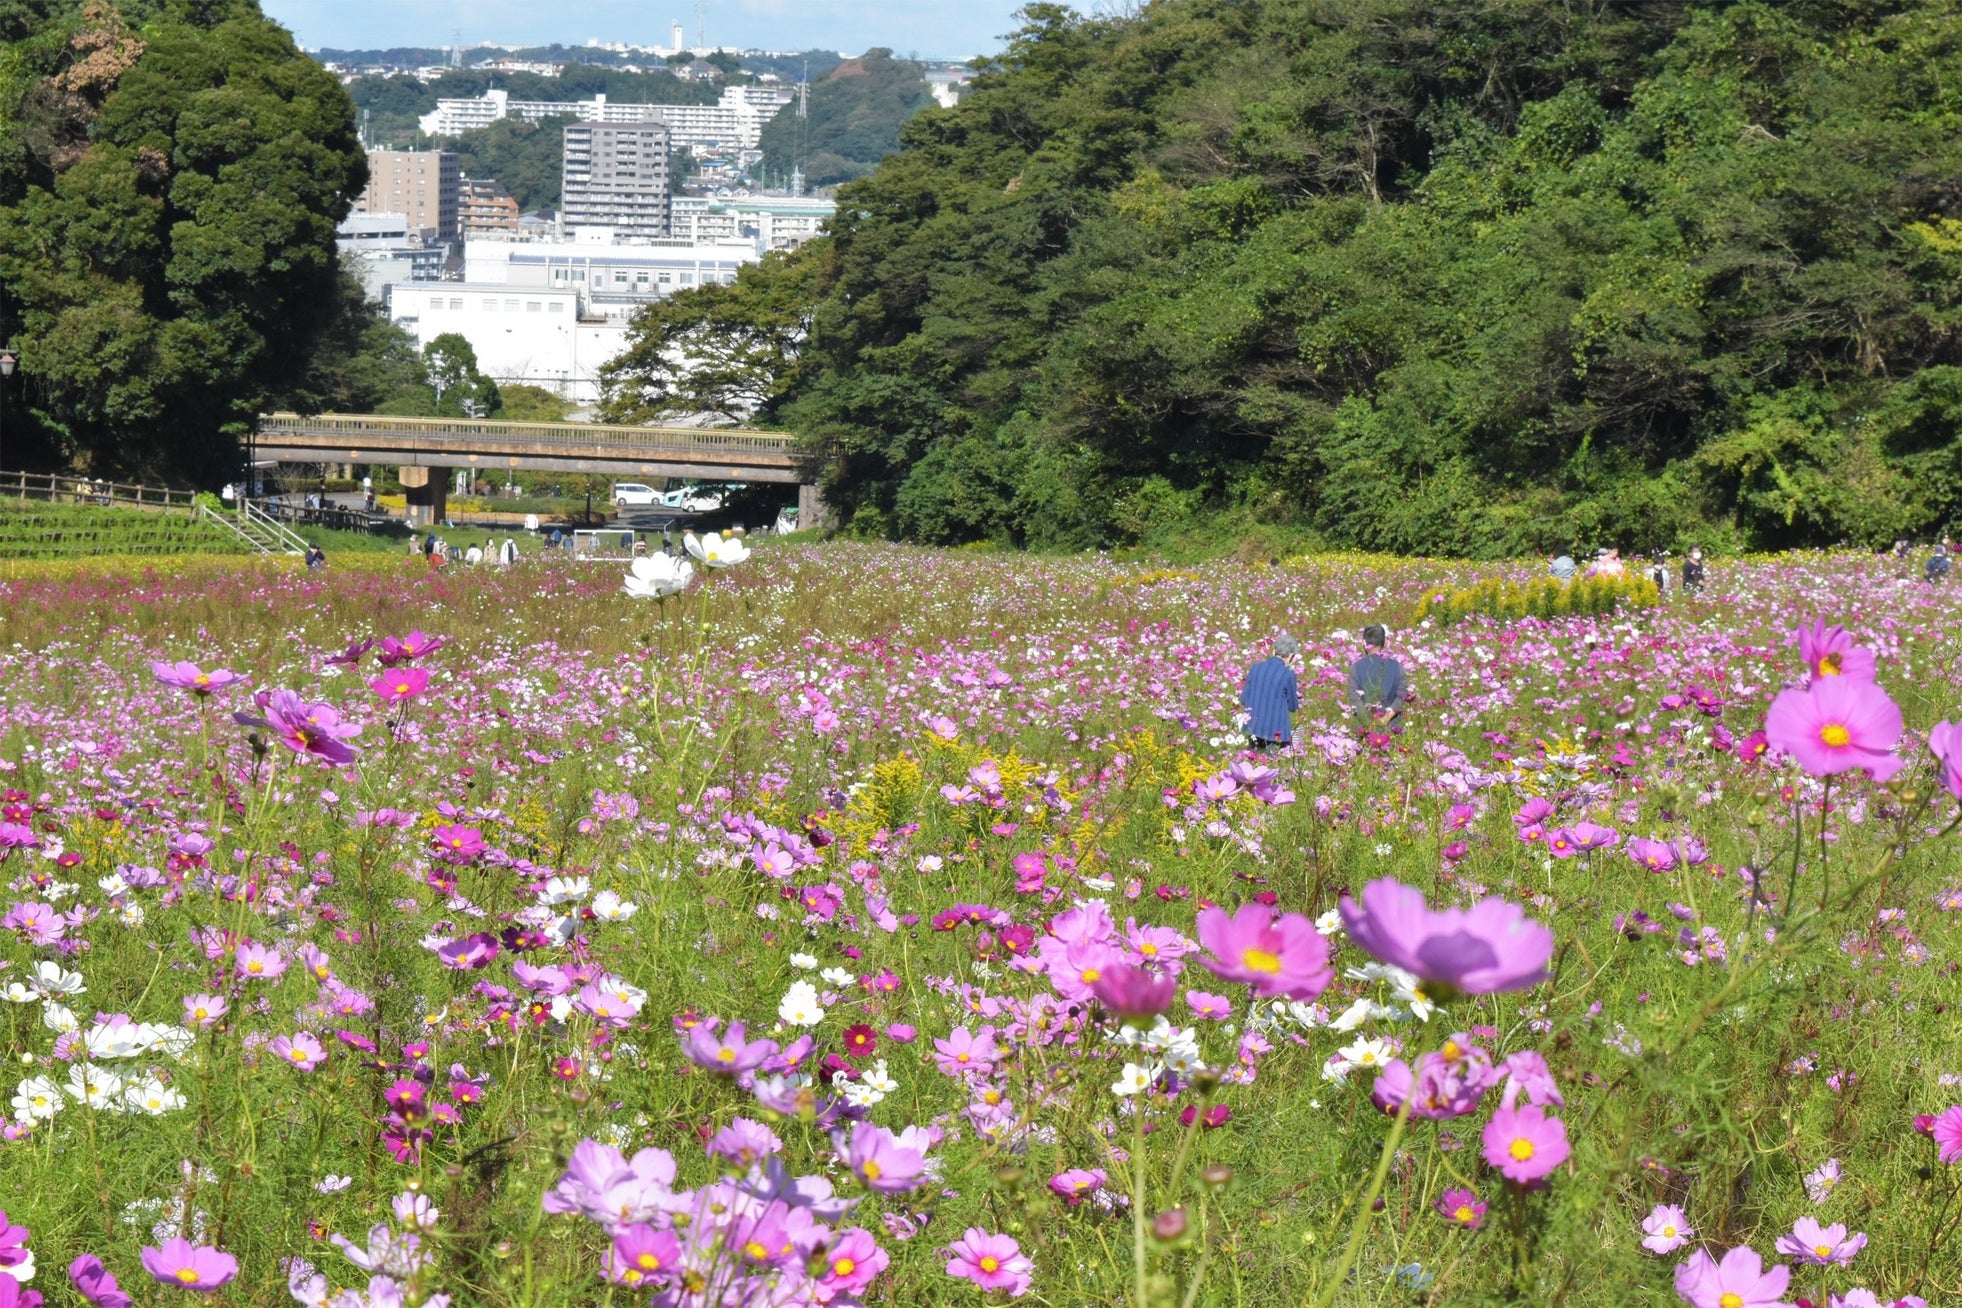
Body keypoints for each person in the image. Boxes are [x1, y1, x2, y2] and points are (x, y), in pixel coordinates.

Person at [1240, 634, 1301, 750]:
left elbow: (1243, 699)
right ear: (1292, 656)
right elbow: (1292, 707)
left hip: (1251, 729)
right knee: (1271, 764)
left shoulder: (1256, 667)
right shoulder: (1288, 674)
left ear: (1274, 652)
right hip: (1275, 734)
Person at [1347, 625, 1408, 727]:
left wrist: (1369, 725)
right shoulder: (1398, 667)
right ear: (1384, 643)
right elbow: (1402, 696)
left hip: (1365, 730)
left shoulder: (1355, 668)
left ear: (1364, 643)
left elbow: (1356, 700)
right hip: (1391, 728)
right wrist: (1384, 719)